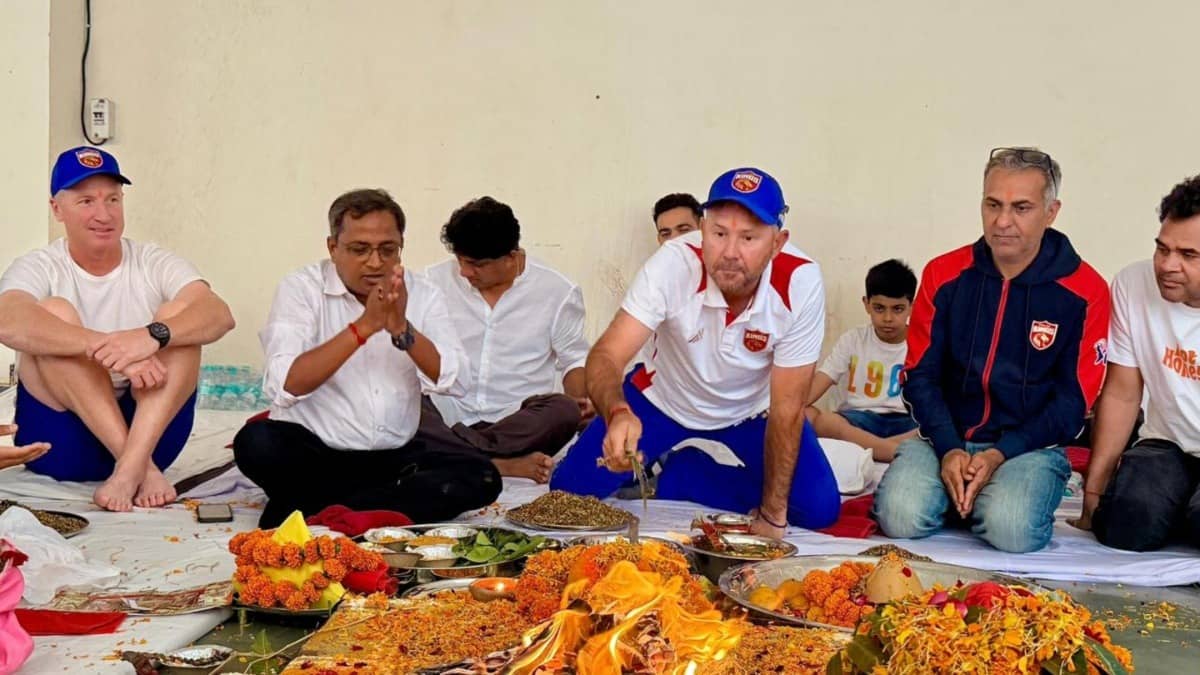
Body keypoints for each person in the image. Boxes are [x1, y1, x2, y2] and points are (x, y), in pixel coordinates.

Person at [551, 167, 841, 539]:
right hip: (662, 399)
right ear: (703, 230)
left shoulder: (800, 281)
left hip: (750, 411)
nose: (731, 253)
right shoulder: (673, 263)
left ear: (777, 242)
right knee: (568, 495)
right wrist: (618, 411)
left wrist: (771, 516)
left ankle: (688, 473)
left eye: (749, 237)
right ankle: (656, 457)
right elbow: (607, 354)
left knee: (817, 509)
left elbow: (787, 407)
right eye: (719, 233)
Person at [871, 147, 1110, 553]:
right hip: (942, 441)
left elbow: (1075, 402)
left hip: (1028, 449)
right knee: (899, 518)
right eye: (992, 204)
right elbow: (920, 376)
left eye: (1021, 208)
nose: (1002, 222)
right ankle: (965, 493)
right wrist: (948, 449)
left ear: (1051, 212)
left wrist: (1002, 453)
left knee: (1011, 531)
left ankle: (976, 499)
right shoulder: (943, 275)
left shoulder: (1085, 291)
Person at [232, 189, 501, 527]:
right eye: (359, 250)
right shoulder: (301, 288)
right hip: (316, 453)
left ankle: (319, 508)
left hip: (394, 456)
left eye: (388, 250)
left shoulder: (423, 293)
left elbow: (457, 380)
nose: (375, 262)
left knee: (482, 476)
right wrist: (364, 327)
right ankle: (375, 508)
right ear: (333, 248)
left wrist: (401, 328)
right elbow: (285, 384)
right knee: (257, 444)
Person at [0, 146, 236, 512]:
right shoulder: (41, 265)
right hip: (62, 445)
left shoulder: (151, 260)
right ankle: (138, 466)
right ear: (56, 209)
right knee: (54, 312)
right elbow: (7, 319)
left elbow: (218, 314)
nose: (103, 214)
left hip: (153, 435)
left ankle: (129, 468)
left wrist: (150, 337)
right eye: (86, 201)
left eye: (113, 199)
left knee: (179, 317)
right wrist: (112, 352)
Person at [418, 197, 589, 484]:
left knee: (563, 410)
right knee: (405, 406)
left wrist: (580, 399)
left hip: (517, 423)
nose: (464, 272)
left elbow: (574, 360)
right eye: (459, 260)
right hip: (447, 412)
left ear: (511, 257)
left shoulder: (557, 291)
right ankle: (497, 464)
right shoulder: (431, 282)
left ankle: (454, 454)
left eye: (475, 264)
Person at [1077, 175, 1200, 551]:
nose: (1167, 265)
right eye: (1162, 249)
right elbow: (1122, 395)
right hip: (1168, 446)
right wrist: (1093, 493)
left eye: (1188, 255)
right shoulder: (1133, 284)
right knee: (1127, 521)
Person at [806, 259, 918, 462]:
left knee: (943, 426)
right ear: (866, 304)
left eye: (898, 309)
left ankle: (874, 449)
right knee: (811, 417)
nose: (888, 318)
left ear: (912, 306)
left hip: (907, 422)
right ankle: (892, 451)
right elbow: (821, 381)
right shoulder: (853, 340)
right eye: (879, 308)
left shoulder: (924, 343)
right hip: (860, 420)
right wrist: (787, 407)